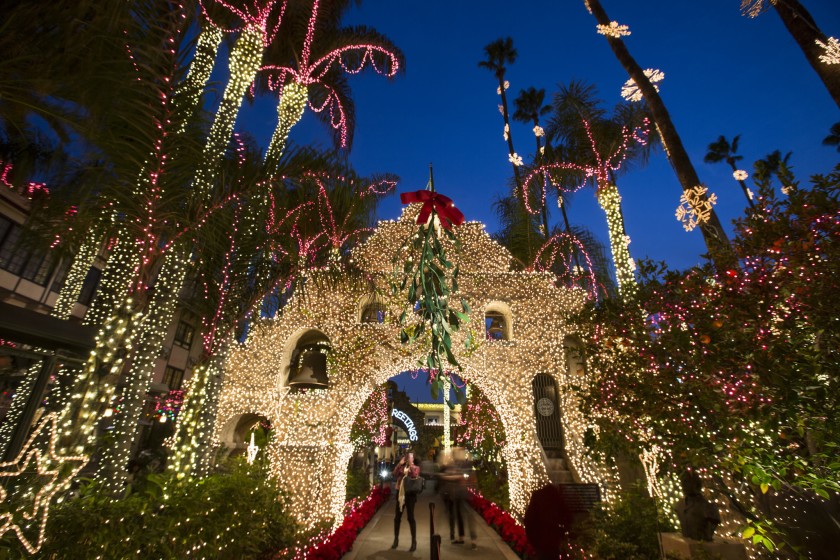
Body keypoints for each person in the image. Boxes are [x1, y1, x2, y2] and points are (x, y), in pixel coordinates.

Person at [391, 451, 418, 551]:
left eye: (411, 457)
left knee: (411, 518)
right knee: (397, 518)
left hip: (410, 495)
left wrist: (410, 466)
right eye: (408, 457)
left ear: (413, 459)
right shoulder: (401, 467)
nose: (409, 459)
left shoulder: (415, 467)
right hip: (400, 495)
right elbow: (394, 474)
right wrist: (399, 464)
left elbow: (414, 475)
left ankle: (414, 541)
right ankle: (396, 539)